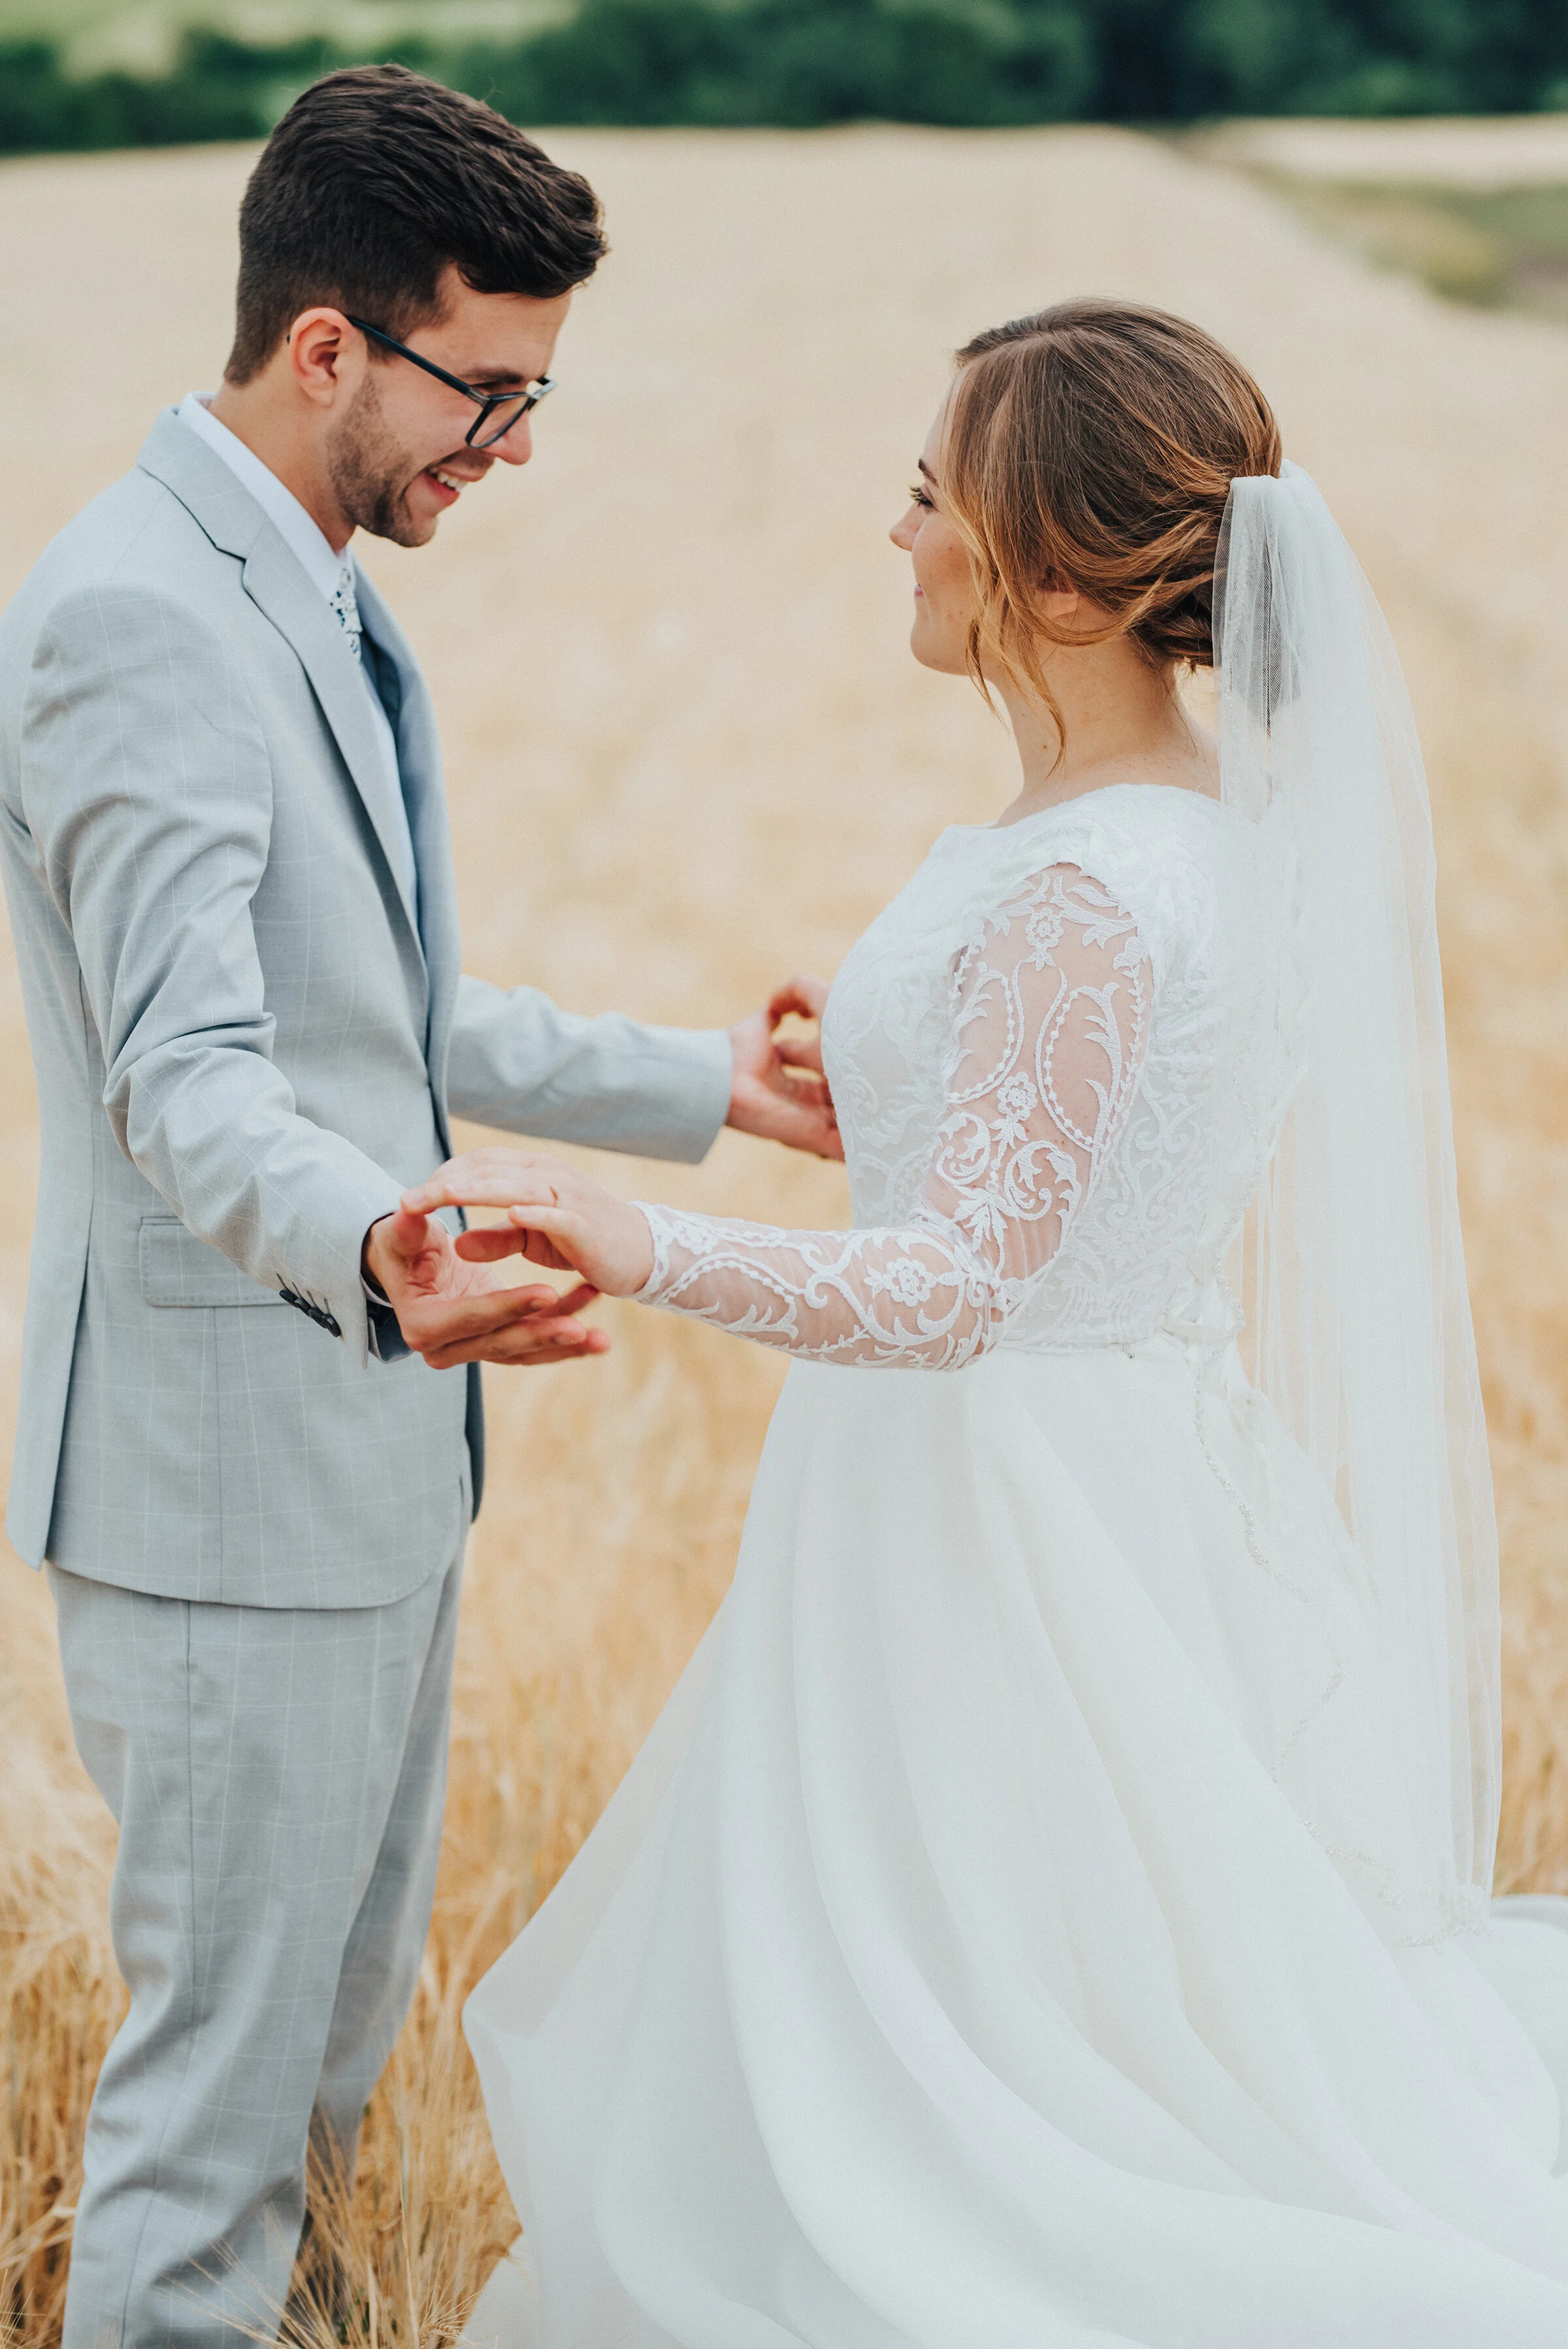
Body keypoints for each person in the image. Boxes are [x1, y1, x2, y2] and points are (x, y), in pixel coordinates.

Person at [421, 301, 1568, 2345]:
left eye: (931, 498)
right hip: (1098, 1471)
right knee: (1069, 1987)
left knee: (987, 2041)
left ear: (1054, 572)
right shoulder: (1184, 842)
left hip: (1000, 1521)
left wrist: (635, 1237)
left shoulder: (1089, 891)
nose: (901, 536)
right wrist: (883, 1088)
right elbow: (1079, 1167)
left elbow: (959, 1290)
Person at [0, 64, 837, 2349]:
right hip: (222, 1495)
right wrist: (381, 1247)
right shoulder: (136, 619)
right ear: (332, 344)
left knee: (333, 2076)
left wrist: (718, 1091)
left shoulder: (313, 580)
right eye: (494, 389)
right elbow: (190, 1074)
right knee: (209, 2140)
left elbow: (394, 1010)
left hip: (366, 1473)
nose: (519, 447)